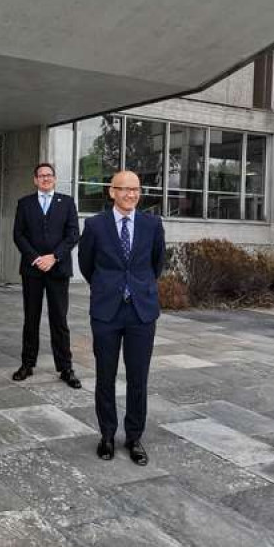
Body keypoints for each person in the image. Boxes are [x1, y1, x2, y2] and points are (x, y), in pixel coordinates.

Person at [78, 170, 165, 466]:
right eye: (124, 189)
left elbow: (156, 265)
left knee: (138, 377)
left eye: (136, 190)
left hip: (141, 311)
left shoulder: (152, 224)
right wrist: (109, 288)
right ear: (112, 192)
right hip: (106, 312)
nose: (131, 194)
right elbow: (87, 265)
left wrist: (137, 289)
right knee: (105, 376)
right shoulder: (94, 225)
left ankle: (134, 437)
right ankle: (106, 435)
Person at [12, 162, 81, 388]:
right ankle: (27, 364)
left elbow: (73, 234)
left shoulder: (67, 202)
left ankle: (65, 368)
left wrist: (54, 257)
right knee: (30, 318)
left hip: (58, 269)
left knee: (59, 320)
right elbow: (19, 235)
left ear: (54, 178)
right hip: (32, 270)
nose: (45, 179)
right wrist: (36, 258)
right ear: (35, 180)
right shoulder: (24, 204)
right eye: (41, 176)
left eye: (49, 175)